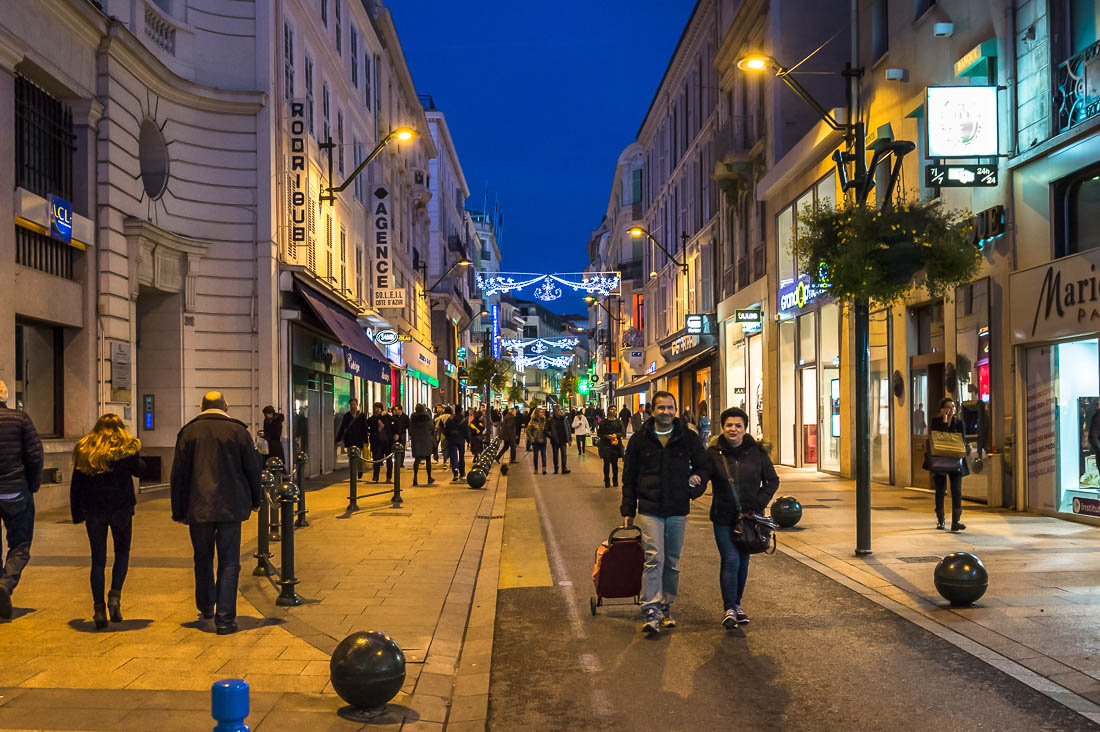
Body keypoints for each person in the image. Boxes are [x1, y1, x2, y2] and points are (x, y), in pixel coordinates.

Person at [170, 391, 262, 634]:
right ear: (226, 406)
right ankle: (225, 619)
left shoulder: (188, 432)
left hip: (198, 505)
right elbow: (252, 469)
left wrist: (178, 510)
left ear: (201, 406)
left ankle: (206, 606)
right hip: (231, 507)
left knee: (202, 557)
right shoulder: (239, 432)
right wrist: (256, 500)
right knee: (229, 561)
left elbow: (178, 474)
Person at [621, 391, 709, 634]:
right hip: (649, 507)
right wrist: (628, 508)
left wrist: (694, 486)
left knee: (672, 560)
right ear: (652, 410)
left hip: (678, 508)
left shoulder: (688, 438)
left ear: (675, 410)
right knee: (654, 557)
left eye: (670, 408)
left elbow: (704, 466)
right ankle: (650, 608)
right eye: (661, 408)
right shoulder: (640, 439)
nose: (667, 412)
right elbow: (628, 476)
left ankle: (666, 604)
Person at [705, 407, 779, 628]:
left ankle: (737, 605)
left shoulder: (757, 452)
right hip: (723, 516)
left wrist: (759, 503)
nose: (733, 429)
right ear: (723, 428)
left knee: (743, 562)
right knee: (731, 560)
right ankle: (729, 608)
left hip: (750, 519)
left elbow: (772, 480)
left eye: (738, 425)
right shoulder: (714, 454)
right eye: (729, 425)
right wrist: (691, 484)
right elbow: (702, 477)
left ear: (745, 428)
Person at [70, 414, 145, 629]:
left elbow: (76, 484)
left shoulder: (86, 449)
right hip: (121, 509)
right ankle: (115, 597)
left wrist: (77, 513)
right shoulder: (126, 448)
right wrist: (135, 454)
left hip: (94, 510)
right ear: (120, 428)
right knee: (122, 553)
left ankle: (98, 609)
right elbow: (140, 471)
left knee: (98, 560)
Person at [0, 380, 43, 620]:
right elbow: (35, 454)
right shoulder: (20, 419)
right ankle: (5, 585)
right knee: (20, 544)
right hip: (15, 490)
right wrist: (33, 484)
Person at [924, 397, 969, 531]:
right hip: (940, 461)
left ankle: (956, 521)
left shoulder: (959, 423)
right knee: (940, 491)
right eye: (948, 407)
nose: (951, 409)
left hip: (954, 461)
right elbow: (938, 437)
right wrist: (944, 421)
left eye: (953, 407)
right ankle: (941, 520)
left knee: (956, 491)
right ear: (942, 409)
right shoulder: (936, 421)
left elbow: (963, 440)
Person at [336, 399, 368, 478]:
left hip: (359, 439)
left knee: (358, 456)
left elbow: (365, 428)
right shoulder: (347, 416)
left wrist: (366, 441)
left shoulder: (361, 415)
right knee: (351, 456)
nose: (353, 406)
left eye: (354, 404)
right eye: (351, 405)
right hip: (350, 439)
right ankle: (353, 472)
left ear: (357, 405)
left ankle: (360, 470)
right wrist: (339, 439)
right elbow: (342, 427)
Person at [408, 405, 436, 486]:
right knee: (428, 459)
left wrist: (411, 434)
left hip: (416, 440)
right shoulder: (427, 417)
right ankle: (429, 477)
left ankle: (415, 477)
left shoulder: (413, 417)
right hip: (425, 439)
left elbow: (410, 428)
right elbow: (431, 427)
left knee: (417, 460)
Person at [367, 403, 394, 483]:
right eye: (375, 408)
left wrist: (396, 434)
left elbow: (396, 421)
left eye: (378, 408)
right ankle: (375, 476)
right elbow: (366, 426)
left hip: (387, 442)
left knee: (389, 460)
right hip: (377, 443)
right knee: (376, 460)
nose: (376, 410)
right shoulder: (371, 419)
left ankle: (389, 477)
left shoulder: (386, 417)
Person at [597, 412, 625, 488]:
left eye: (615, 409)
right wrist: (607, 436)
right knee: (606, 463)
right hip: (605, 445)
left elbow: (622, 432)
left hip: (615, 446)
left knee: (614, 464)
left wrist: (616, 435)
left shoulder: (619, 422)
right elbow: (599, 434)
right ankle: (607, 480)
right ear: (609, 411)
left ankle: (615, 480)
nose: (614, 411)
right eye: (612, 409)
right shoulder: (603, 422)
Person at [443, 407, 469, 481]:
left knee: (454, 457)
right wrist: (468, 440)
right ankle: (462, 472)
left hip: (452, 440)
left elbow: (446, 430)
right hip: (461, 440)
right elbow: (466, 431)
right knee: (461, 456)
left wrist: (448, 438)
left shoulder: (450, 419)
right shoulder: (464, 420)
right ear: (461, 411)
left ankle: (455, 472)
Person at [549, 407, 571, 475]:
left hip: (563, 440)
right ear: (555, 412)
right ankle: (556, 468)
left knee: (564, 454)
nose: (560, 411)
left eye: (561, 410)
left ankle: (564, 468)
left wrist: (569, 439)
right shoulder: (551, 420)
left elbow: (568, 429)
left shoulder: (564, 419)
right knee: (555, 455)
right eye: (559, 410)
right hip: (555, 440)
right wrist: (551, 436)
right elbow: (546, 430)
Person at [527, 408, 549, 475]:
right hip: (536, 440)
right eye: (540, 412)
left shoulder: (545, 421)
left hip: (543, 440)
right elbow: (528, 430)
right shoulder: (532, 421)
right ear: (536, 413)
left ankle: (544, 469)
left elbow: (547, 429)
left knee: (543, 455)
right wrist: (531, 438)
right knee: (536, 455)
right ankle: (536, 469)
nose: (542, 413)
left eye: (542, 412)